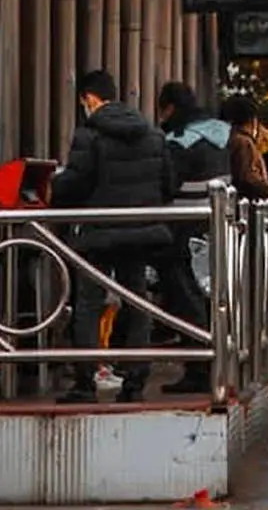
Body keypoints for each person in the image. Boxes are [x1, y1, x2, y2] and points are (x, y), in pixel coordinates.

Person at [51, 70, 177, 404]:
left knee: (89, 305)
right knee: (136, 301)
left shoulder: (88, 136)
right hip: (139, 232)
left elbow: (72, 185)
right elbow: (169, 183)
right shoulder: (152, 134)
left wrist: (54, 192)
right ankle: (135, 382)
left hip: (100, 232)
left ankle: (84, 383)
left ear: (89, 99)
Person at [155, 82, 232, 394]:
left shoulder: (179, 141)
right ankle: (215, 364)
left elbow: (167, 182)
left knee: (185, 296)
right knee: (212, 296)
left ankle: (198, 369)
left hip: (182, 227)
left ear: (170, 107)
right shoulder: (221, 137)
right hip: (214, 227)